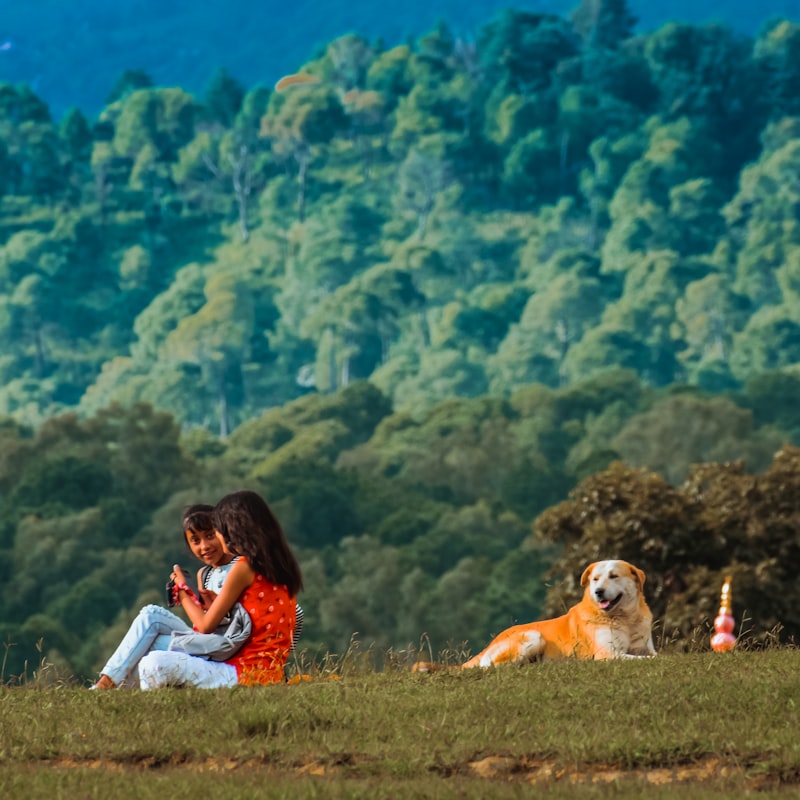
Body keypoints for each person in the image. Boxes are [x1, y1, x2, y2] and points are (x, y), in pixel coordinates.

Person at [137, 489, 304, 689]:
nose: (216, 536)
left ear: (232, 530)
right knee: (156, 648)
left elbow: (205, 626)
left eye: (217, 530)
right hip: (267, 673)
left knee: (153, 662)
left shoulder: (244, 566)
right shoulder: (282, 567)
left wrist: (182, 591)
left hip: (242, 672)